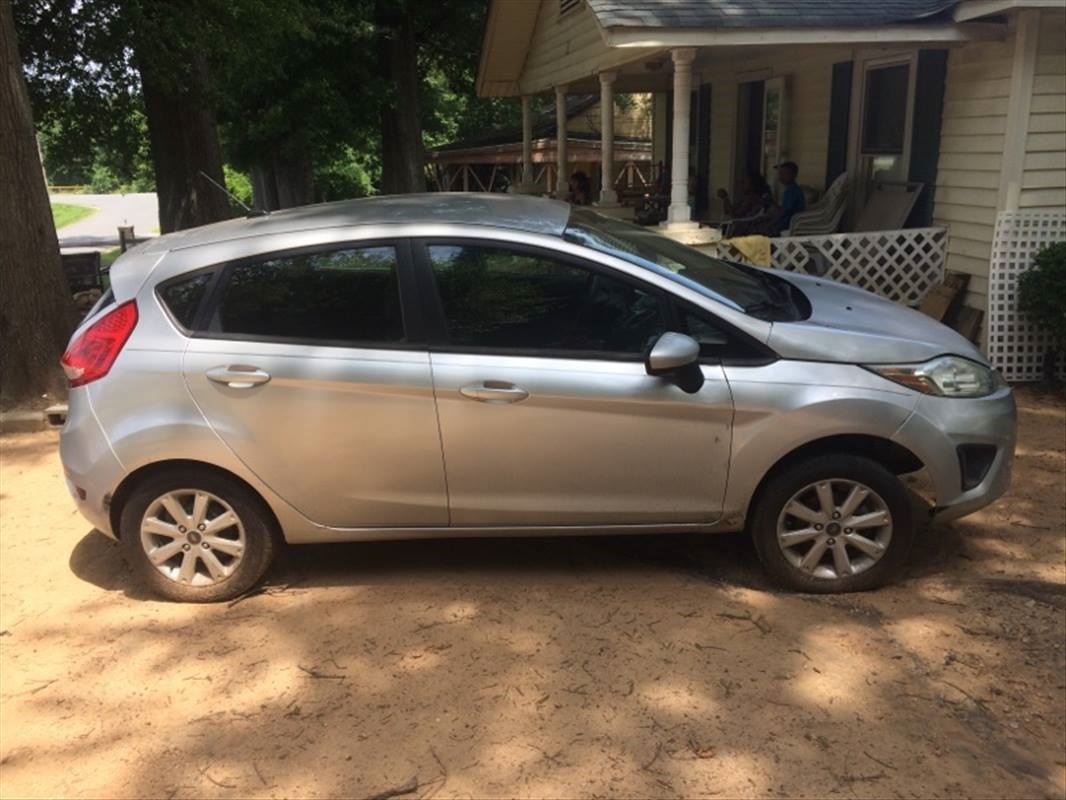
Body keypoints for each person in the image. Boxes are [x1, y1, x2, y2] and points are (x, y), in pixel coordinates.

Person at [771, 161, 806, 235]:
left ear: (793, 175)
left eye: (784, 174)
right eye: (780, 174)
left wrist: (771, 223)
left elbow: (784, 212)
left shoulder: (792, 191)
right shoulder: (790, 189)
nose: (781, 177)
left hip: (789, 225)